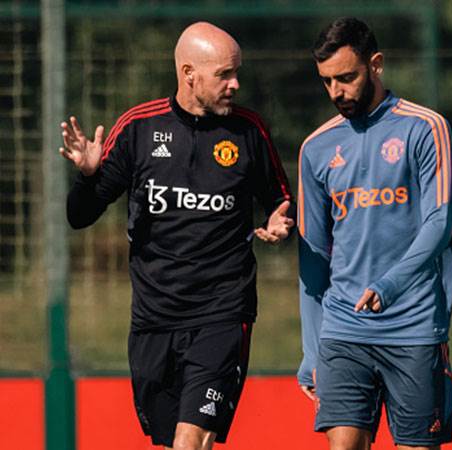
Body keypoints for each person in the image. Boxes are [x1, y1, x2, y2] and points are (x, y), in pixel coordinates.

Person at [60, 22, 294, 450]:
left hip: (222, 312)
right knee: (170, 443)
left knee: (190, 440)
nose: (235, 84)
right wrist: (88, 177)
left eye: (236, 72)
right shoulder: (138, 129)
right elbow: (79, 217)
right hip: (154, 317)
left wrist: (283, 221)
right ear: (188, 73)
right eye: (224, 74)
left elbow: (281, 200)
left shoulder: (249, 131)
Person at [297, 17, 452, 450]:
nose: (336, 92)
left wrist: (390, 285)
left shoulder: (425, 128)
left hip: (414, 327)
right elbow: (313, 258)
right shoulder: (315, 149)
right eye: (327, 81)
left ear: (377, 64)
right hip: (343, 329)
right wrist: (311, 349)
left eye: (346, 78)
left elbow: (439, 223)